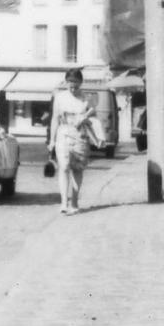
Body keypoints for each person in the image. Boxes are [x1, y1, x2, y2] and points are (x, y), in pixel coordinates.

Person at [47, 65, 98, 215]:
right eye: (70, 82)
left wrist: (86, 117)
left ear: (80, 83)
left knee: (77, 169)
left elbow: (94, 120)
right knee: (63, 167)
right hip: (63, 133)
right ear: (66, 82)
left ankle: (74, 201)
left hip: (80, 135)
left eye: (75, 82)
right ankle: (64, 202)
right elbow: (54, 119)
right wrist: (51, 140)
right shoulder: (60, 97)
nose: (72, 85)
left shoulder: (86, 99)